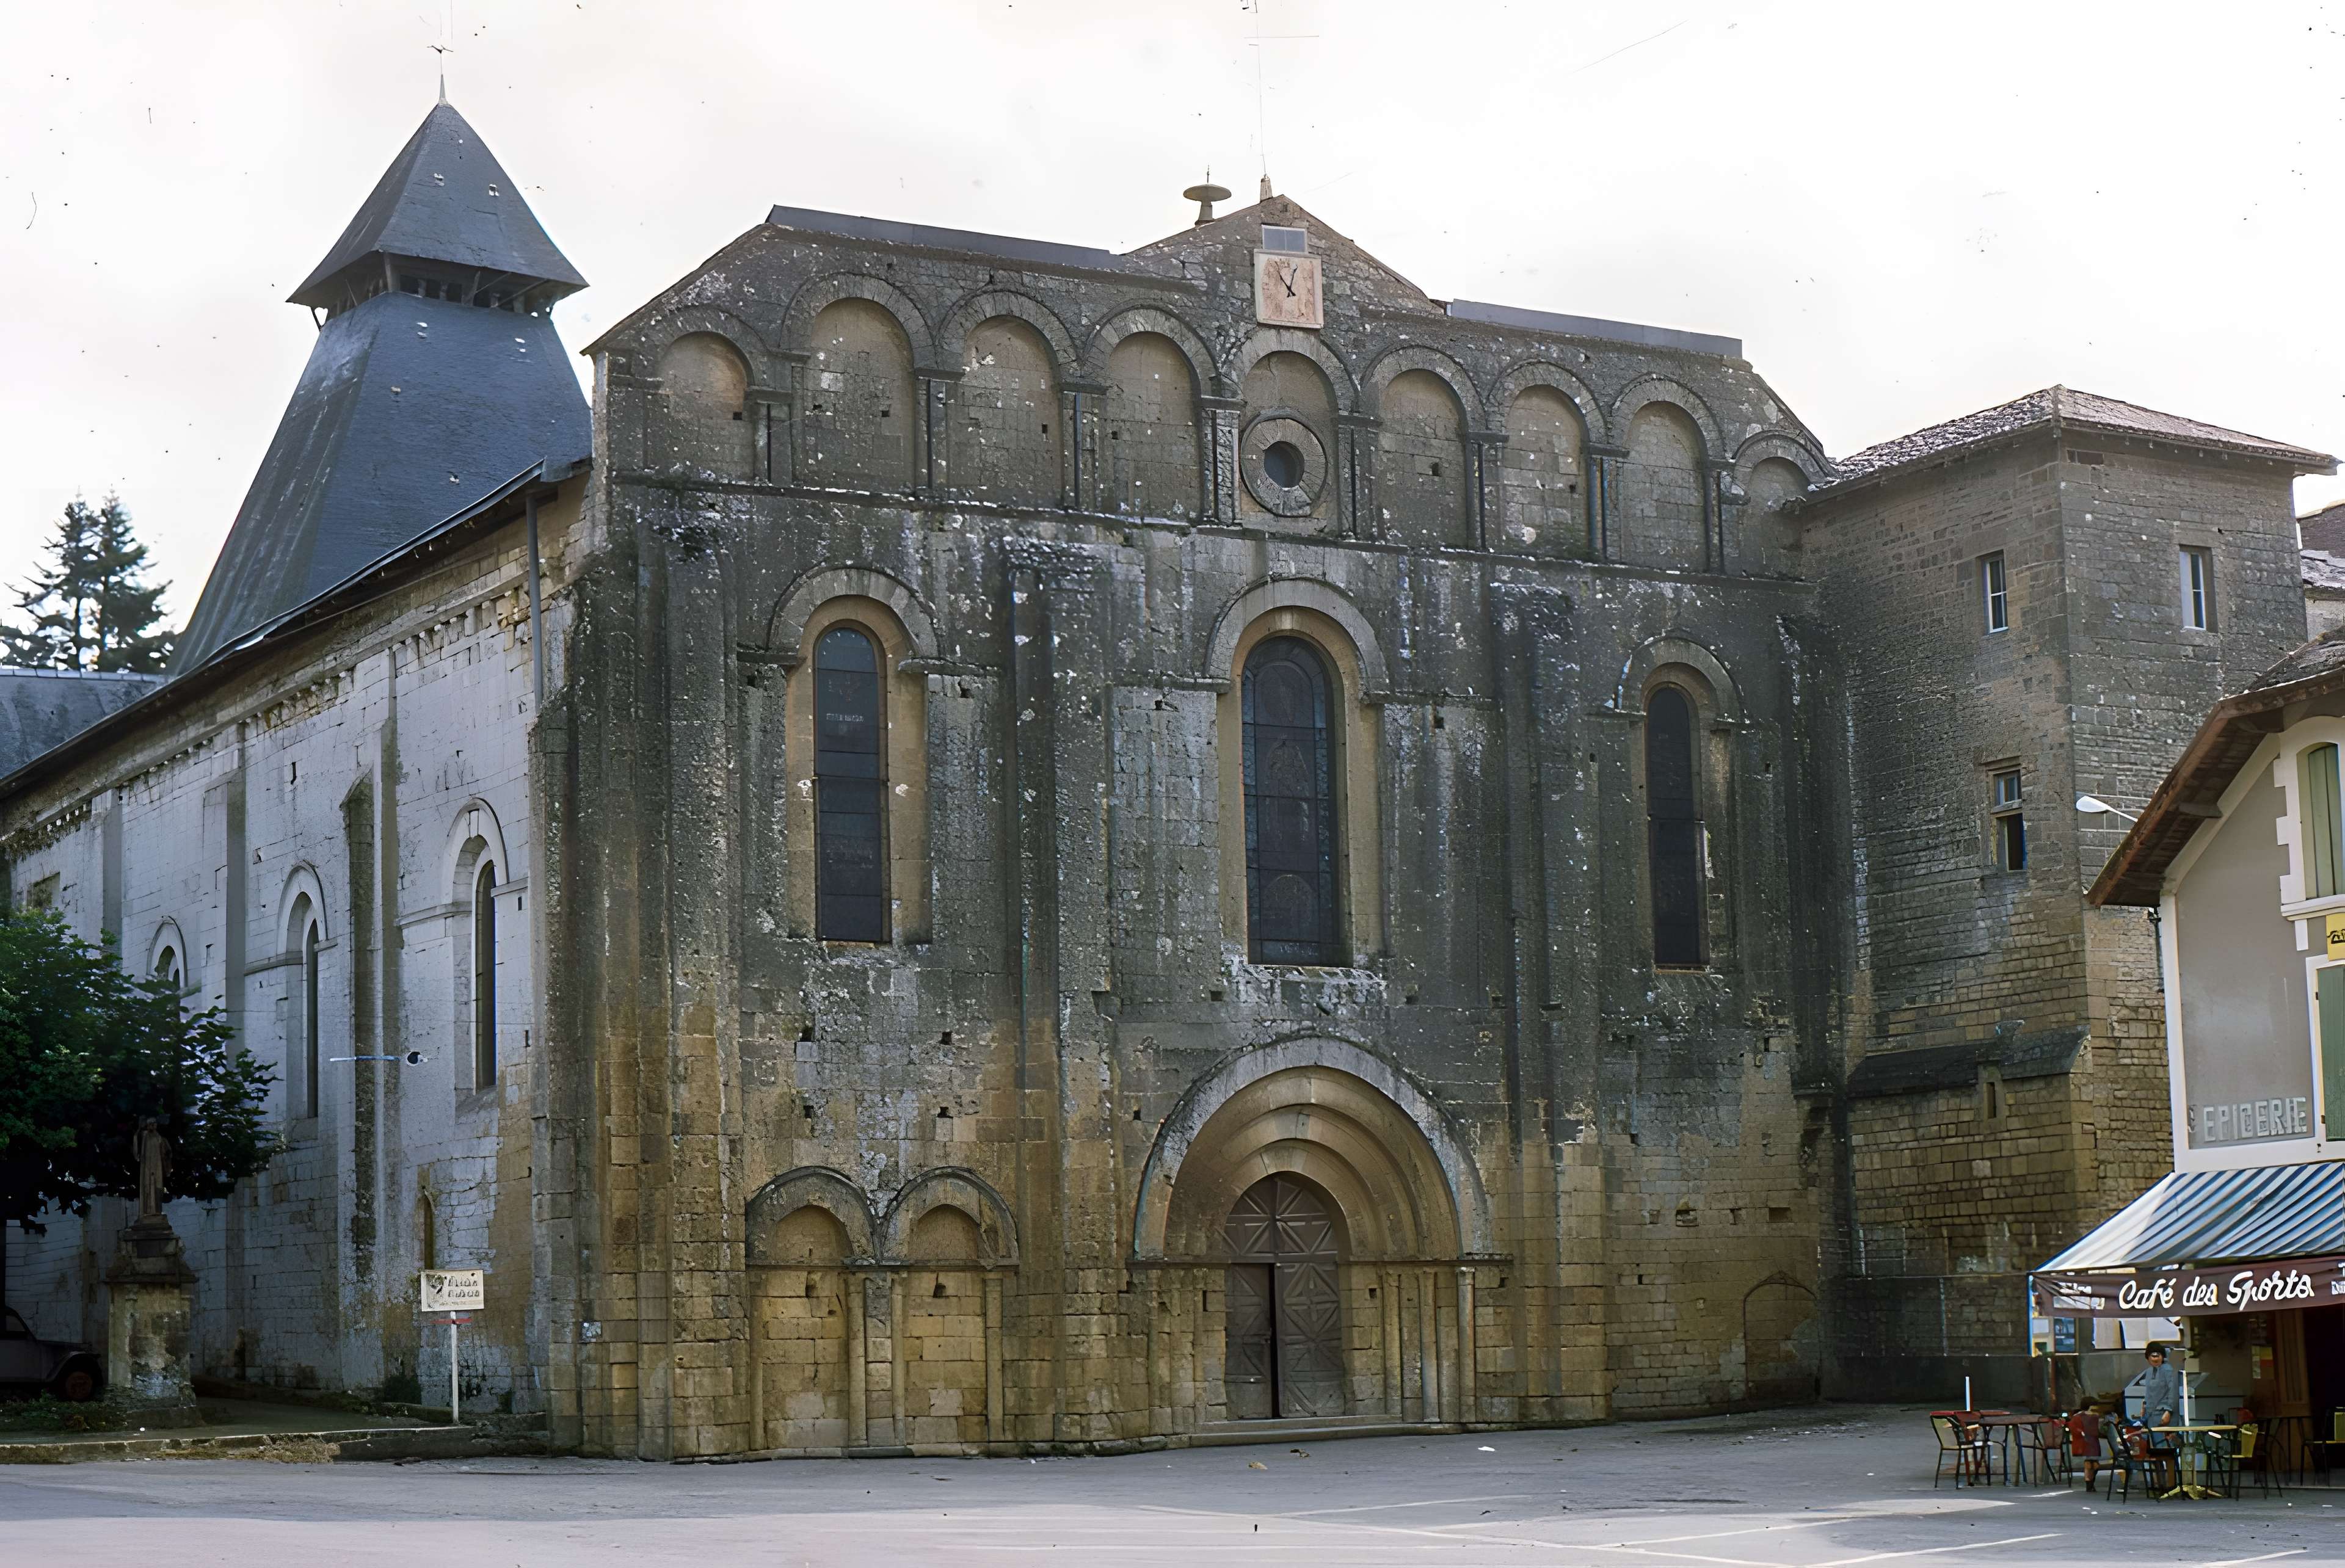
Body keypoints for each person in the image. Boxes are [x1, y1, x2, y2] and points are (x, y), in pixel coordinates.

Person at [2139, 1345, 2183, 1490]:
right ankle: (2158, 1483)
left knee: (2167, 1450)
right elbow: (2148, 1392)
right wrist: (2144, 1405)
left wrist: (2169, 1410)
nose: (2155, 1358)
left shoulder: (2169, 1371)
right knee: (2154, 1451)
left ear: (2163, 1357)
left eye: (2158, 1355)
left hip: (2165, 1414)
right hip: (2151, 1415)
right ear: (2148, 1358)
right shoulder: (2148, 1371)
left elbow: (2173, 1392)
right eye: (2152, 1356)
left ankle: (2171, 1484)